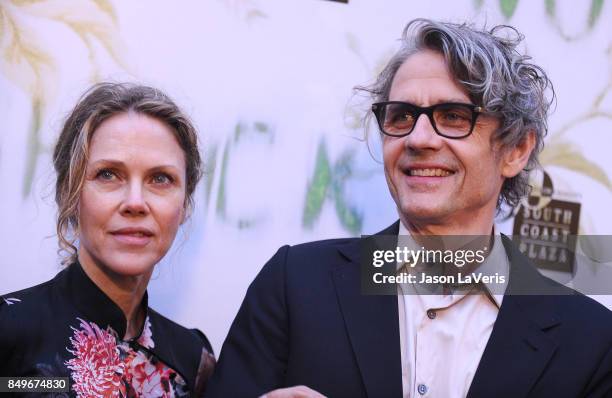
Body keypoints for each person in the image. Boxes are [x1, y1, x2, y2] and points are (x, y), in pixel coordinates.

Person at [206, 19, 612, 397]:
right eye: (401, 116)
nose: (418, 139)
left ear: (516, 149)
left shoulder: (590, 341)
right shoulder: (294, 286)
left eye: (453, 116)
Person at [0, 83, 215, 397]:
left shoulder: (192, 358)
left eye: (160, 179)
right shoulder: (9, 330)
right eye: (108, 174)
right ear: (69, 194)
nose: (135, 202)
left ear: (184, 206)